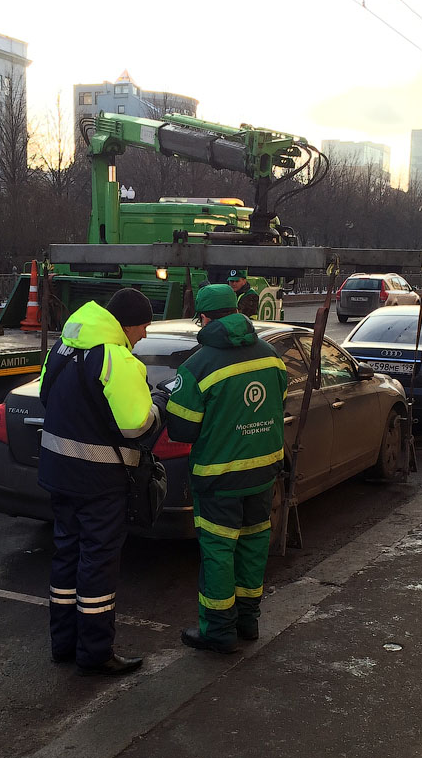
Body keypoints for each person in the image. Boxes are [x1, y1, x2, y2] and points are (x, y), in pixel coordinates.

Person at [38, 287, 164, 676]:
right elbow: (137, 425)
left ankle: (63, 645)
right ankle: (95, 653)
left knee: (66, 556)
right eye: (143, 327)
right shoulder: (116, 357)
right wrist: (159, 405)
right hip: (99, 482)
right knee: (97, 563)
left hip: (58, 474)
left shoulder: (65, 346)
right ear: (128, 324)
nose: (143, 335)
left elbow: (46, 395)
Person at [166, 284, 287, 654]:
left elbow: (181, 429)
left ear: (203, 317)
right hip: (264, 473)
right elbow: (275, 407)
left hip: (219, 478)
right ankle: (248, 621)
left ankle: (218, 631)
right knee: (253, 545)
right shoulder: (271, 356)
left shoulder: (197, 366)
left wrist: (168, 397)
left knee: (219, 552)